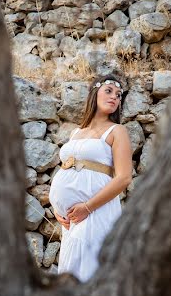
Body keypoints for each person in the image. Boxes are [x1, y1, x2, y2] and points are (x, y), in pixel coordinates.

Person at [48, 75, 133, 282]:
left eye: (119, 95)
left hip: (95, 212)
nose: (115, 97)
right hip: (70, 220)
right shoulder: (76, 132)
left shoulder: (117, 131)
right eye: (109, 91)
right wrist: (57, 210)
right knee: (71, 270)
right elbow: (65, 171)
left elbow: (124, 178)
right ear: (95, 93)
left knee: (86, 269)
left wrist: (87, 207)